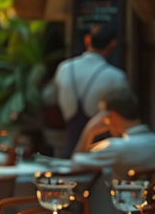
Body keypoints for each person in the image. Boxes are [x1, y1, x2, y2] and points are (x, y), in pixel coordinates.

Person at [42, 25, 128, 157]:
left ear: (87, 40)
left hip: (67, 146)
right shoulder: (116, 76)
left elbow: (49, 97)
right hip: (101, 151)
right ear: (113, 44)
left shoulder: (64, 68)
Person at [72, 88, 155, 179]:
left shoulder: (114, 147)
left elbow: (74, 167)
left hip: (127, 201)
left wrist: (89, 131)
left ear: (111, 115)